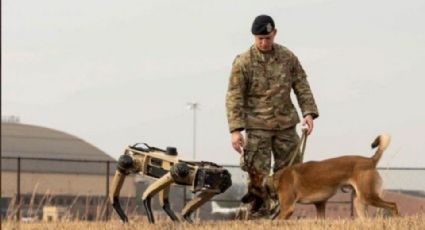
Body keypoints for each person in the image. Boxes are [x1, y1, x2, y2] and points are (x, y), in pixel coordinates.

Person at [225, 14, 319, 218]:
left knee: (291, 175)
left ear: (274, 33)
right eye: (259, 38)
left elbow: (301, 85)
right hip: (257, 128)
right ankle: (259, 215)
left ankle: (282, 214)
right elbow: (234, 97)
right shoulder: (243, 62)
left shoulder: (287, 57)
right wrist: (235, 130)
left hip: (286, 126)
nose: (264, 42)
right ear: (253, 37)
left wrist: (308, 113)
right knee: (258, 176)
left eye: (267, 38)